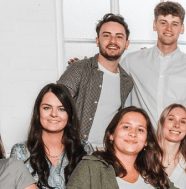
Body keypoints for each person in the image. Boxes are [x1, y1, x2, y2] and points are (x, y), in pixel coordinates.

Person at [121, 2, 186, 147]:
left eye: (174, 24)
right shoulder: (132, 62)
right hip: (142, 145)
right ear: (154, 25)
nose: (169, 29)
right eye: (163, 22)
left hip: (178, 147)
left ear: (181, 28)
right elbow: (112, 88)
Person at [57, 13, 134, 144]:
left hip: (107, 154)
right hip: (75, 152)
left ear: (126, 44)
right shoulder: (78, 69)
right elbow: (55, 107)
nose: (113, 41)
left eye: (119, 37)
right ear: (97, 40)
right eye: (106, 35)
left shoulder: (126, 81)